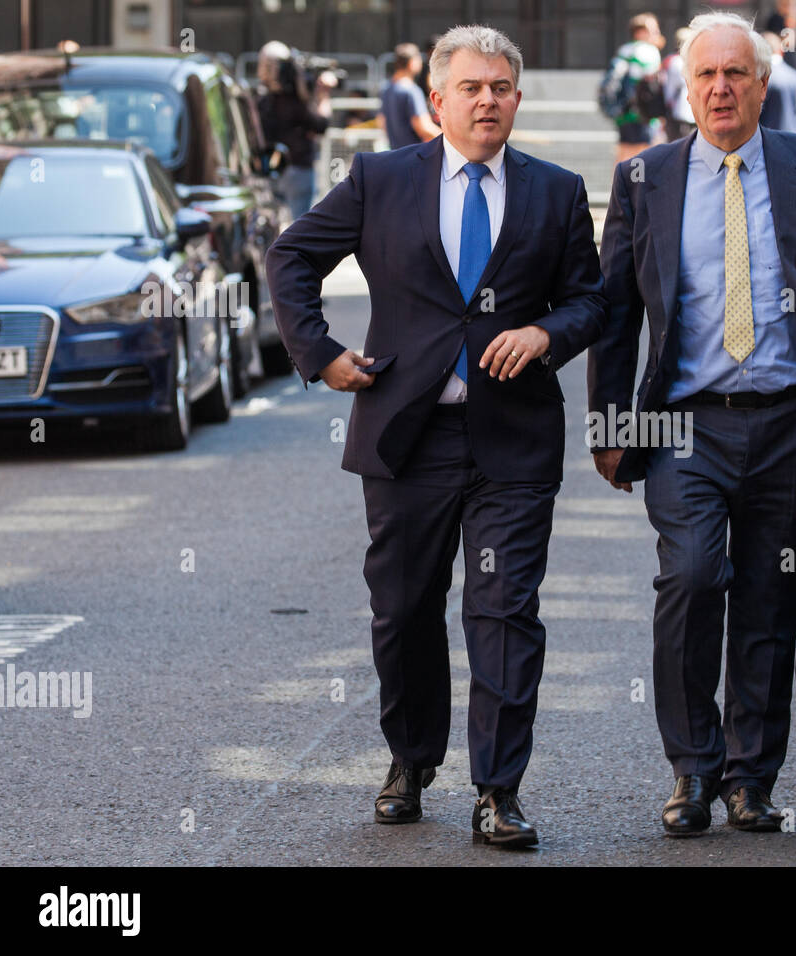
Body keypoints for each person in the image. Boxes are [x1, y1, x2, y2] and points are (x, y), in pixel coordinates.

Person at [265, 24, 606, 850]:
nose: (487, 99)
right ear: (437, 100)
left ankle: (499, 789)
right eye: (471, 87)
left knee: (503, 611)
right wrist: (321, 354)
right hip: (406, 436)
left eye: (501, 87)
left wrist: (546, 336)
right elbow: (290, 258)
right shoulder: (380, 180)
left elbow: (592, 299)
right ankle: (410, 761)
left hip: (513, 443)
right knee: (405, 611)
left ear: (517, 99)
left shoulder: (556, 192)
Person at [588, 12, 796, 837]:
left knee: (769, 596)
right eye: (705, 77)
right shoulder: (646, 176)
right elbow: (616, 311)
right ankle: (692, 769)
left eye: (736, 74)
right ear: (684, 89)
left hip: (790, 421)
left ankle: (750, 778)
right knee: (690, 578)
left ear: (763, 83)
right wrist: (611, 424)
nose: (720, 88)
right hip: (681, 423)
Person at [256, 41, 331, 219]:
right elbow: (320, 124)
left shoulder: (261, 101)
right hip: (297, 169)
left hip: (272, 168)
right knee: (300, 228)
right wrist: (324, 95)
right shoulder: (295, 104)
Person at [601, 13, 664, 162]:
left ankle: (619, 185)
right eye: (653, 30)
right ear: (640, 32)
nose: (657, 33)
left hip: (623, 111)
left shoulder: (624, 50)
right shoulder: (648, 51)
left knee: (624, 153)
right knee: (643, 155)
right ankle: (639, 185)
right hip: (642, 113)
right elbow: (653, 85)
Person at [378, 42, 441, 149]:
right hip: (414, 155)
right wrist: (449, 139)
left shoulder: (387, 89)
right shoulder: (412, 91)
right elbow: (423, 127)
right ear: (412, 63)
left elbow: (381, 122)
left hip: (395, 153)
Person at [758, 32, 796, 133]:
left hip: (769, 136)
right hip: (792, 134)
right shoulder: (794, 75)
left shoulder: (762, 76)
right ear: (781, 50)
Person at [660, 27, 696, 140]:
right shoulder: (694, 60)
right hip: (691, 112)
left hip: (679, 112)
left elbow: (669, 90)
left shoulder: (674, 61)